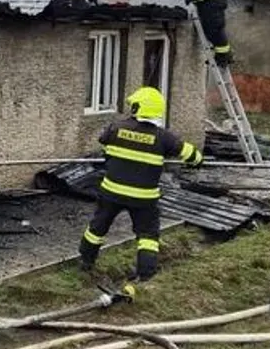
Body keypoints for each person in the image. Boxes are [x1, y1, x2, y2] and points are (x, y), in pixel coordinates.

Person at [79, 86, 204, 299]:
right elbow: (193, 155)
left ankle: (86, 263)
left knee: (97, 228)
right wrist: (197, 162)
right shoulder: (164, 138)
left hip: (112, 192)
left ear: (139, 107)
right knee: (147, 237)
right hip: (143, 197)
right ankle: (146, 275)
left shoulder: (116, 128)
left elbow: (105, 145)